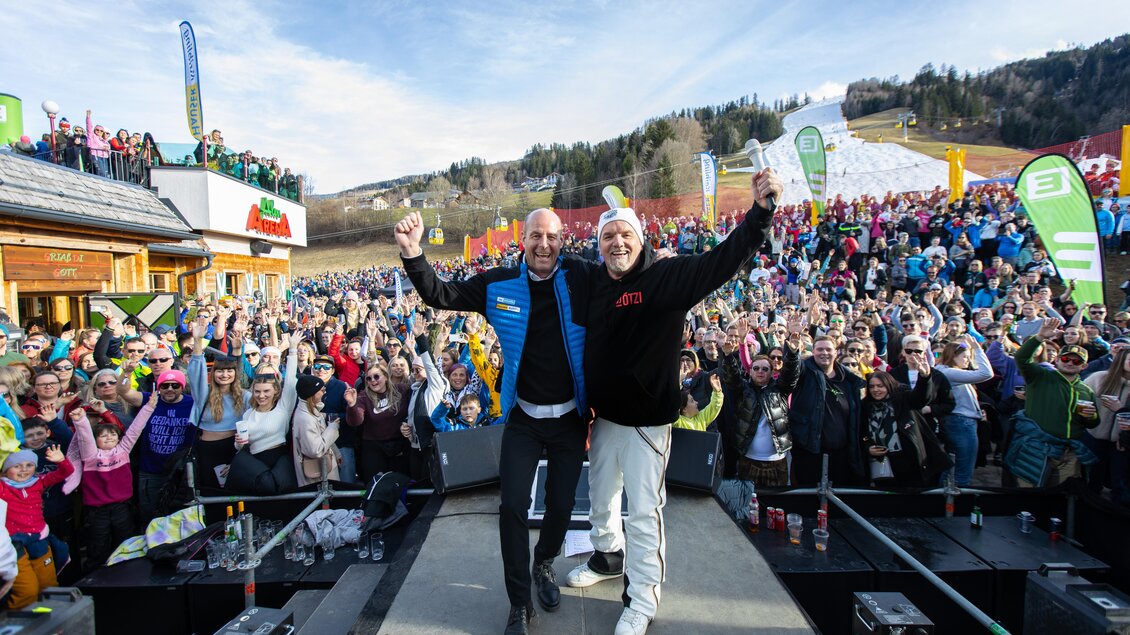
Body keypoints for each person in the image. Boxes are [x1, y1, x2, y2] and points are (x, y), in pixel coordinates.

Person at [565, 168, 782, 635]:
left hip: (647, 425)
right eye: (608, 237)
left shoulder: (668, 276)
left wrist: (760, 214)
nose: (617, 243)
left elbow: (724, 260)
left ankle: (642, 598)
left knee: (643, 512)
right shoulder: (591, 281)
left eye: (625, 235)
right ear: (597, 244)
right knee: (602, 502)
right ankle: (607, 558)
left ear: (640, 240)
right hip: (604, 421)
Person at [396, 208, 590, 635]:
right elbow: (441, 295)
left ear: (563, 241)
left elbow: (626, 274)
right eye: (535, 236)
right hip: (522, 418)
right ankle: (519, 604)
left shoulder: (581, 279)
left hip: (569, 422)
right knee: (512, 509)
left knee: (561, 506)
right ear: (523, 241)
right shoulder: (499, 284)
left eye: (552, 237)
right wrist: (413, 254)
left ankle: (544, 563)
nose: (544, 245)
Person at [1005, 319, 1101, 487]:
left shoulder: (1086, 390)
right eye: (1065, 358)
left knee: (1061, 497)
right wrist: (1040, 337)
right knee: (1029, 494)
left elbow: (1093, 423)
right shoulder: (1040, 376)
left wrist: (1091, 415)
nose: (1070, 363)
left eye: (1076, 361)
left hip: (1069, 452)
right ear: (1057, 360)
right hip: (1036, 447)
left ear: (1084, 366)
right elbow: (1021, 358)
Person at [69, 393, 154, 570]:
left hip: (122, 507)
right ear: (96, 440)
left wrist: (149, 407)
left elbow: (135, 429)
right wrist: (80, 421)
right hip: (97, 511)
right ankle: (96, 578)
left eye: (113, 434)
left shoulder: (123, 450)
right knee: (98, 546)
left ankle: (128, 573)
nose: (109, 437)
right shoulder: (90, 455)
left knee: (125, 543)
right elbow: (85, 437)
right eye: (103, 435)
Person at [718, 318, 803, 486]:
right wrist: (727, 355)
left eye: (765, 369)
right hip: (748, 459)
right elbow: (732, 377)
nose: (760, 371)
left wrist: (792, 354)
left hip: (777, 460)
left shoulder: (780, 390)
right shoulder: (743, 390)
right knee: (747, 503)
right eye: (756, 368)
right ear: (750, 372)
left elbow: (790, 376)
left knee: (775, 504)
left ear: (772, 372)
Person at [117, 366, 195, 523]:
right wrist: (126, 373)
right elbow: (123, 391)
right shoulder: (149, 399)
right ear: (159, 387)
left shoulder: (192, 403)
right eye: (165, 386)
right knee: (150, 515)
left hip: (179, 472)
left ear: (182, 387)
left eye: (175, 385)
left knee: (178, 517)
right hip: (151, 471)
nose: (170, 389)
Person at [933, 336, 993, 486]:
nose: (968, 360)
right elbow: (986, 373)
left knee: (953, 469)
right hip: (960, 423)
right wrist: (978, 349)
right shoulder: (949, 372)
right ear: (953, 356)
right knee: (961, 471)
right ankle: (954, 507)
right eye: (965, 357)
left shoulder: (951, 371)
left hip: (962, 422)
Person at [345, 361, 410, 483]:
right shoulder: (364, 396)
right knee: (375, 484)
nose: (372, 381)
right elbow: (356, 421)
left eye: (376, 376)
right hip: (373, 447)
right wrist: (352, 405)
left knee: (400, 483)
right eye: (368, 378)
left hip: (399, 445)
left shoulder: (401, 390)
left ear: (386, 377)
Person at [1082, 348, 1130, 503]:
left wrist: (1120, 409)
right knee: (1091, 479)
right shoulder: (1099, 378)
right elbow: (1079, 397)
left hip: (1122, 443)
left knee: (1119, 482)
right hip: (1094, 436)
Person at [291, 374, 341, 486]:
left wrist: (336, 453)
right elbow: (315, 450)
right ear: (312, 394)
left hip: (323, 471)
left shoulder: (311, 411)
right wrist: (332, 428)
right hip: (317, 478)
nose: (324, 392)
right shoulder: (305, 419)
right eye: (322, 390)